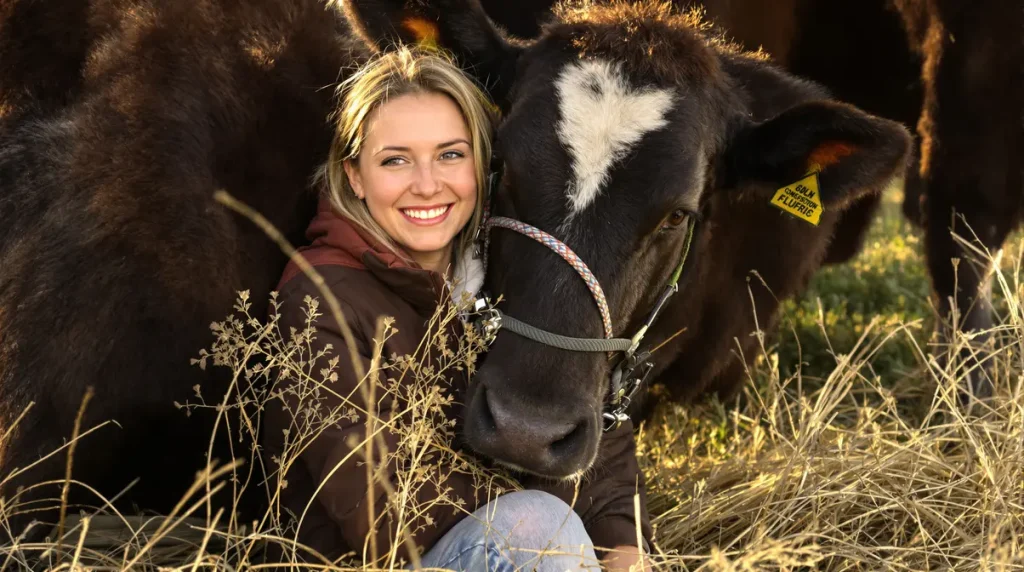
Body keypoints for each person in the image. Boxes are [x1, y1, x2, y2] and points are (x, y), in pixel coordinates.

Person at [263, 46, 652, 571]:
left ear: (483, 165)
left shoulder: (509, 275)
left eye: (450, 154)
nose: (427, 184)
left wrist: (623, 547)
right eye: (395, 160)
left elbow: (603, 433)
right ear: (354, 175)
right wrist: (552, 498)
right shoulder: (319, 301)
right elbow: (389, 521)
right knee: (536, 526)